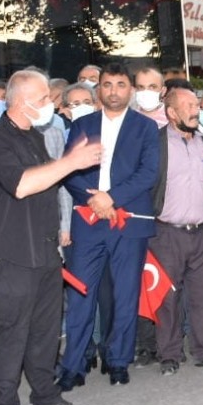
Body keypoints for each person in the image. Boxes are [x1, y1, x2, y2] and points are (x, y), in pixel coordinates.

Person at [0, 69, 100, 405]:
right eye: (44, 98)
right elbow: (21, 185)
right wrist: (71, 162)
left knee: (45, 335)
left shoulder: (35, 135)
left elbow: (49, 184)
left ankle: (46, 399)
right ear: (20, 100)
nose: (51, 104)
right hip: (12, 256)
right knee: (12, 338)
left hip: (45, 252)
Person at [61, 64, 161, 387]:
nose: (114, 91)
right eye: (107, 85)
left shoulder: (146, 128)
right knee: (80, 295)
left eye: (120, 84)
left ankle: (118, 360)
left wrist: (112, 199)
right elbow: (69, 169)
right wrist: (94, 201)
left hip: (127, 222)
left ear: (130, 89)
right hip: (89, 221)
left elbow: (149, 173)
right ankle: (74, 365)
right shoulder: (83, 125)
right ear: (99, 90)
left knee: (125, 293)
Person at [149, 87, 203, 374]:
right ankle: (169, 354)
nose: (196, 111)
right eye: (188, 106)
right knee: (168, 298)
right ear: (171, 113)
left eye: (196, 105)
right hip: (166, 234)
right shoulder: (155, 145)